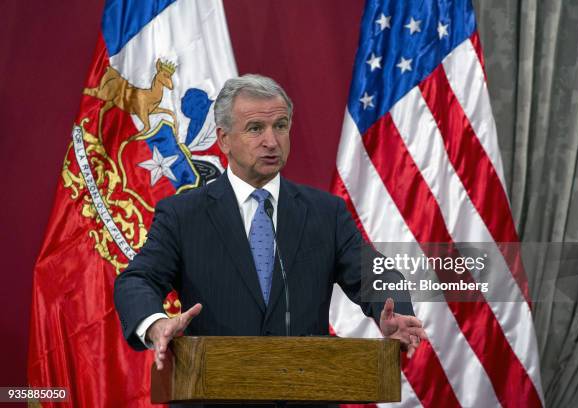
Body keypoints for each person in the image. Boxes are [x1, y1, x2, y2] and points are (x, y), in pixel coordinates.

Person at [114, 74, 426, 376]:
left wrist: (396, 312)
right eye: (255, 129)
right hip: (213, 391)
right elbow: (137, 280)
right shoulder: (183, 215)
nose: (271, 141)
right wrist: (155, 323)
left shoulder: (325, 212)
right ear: (223, 139)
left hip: (306, 393)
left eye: (280, 126)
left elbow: (376, 274)